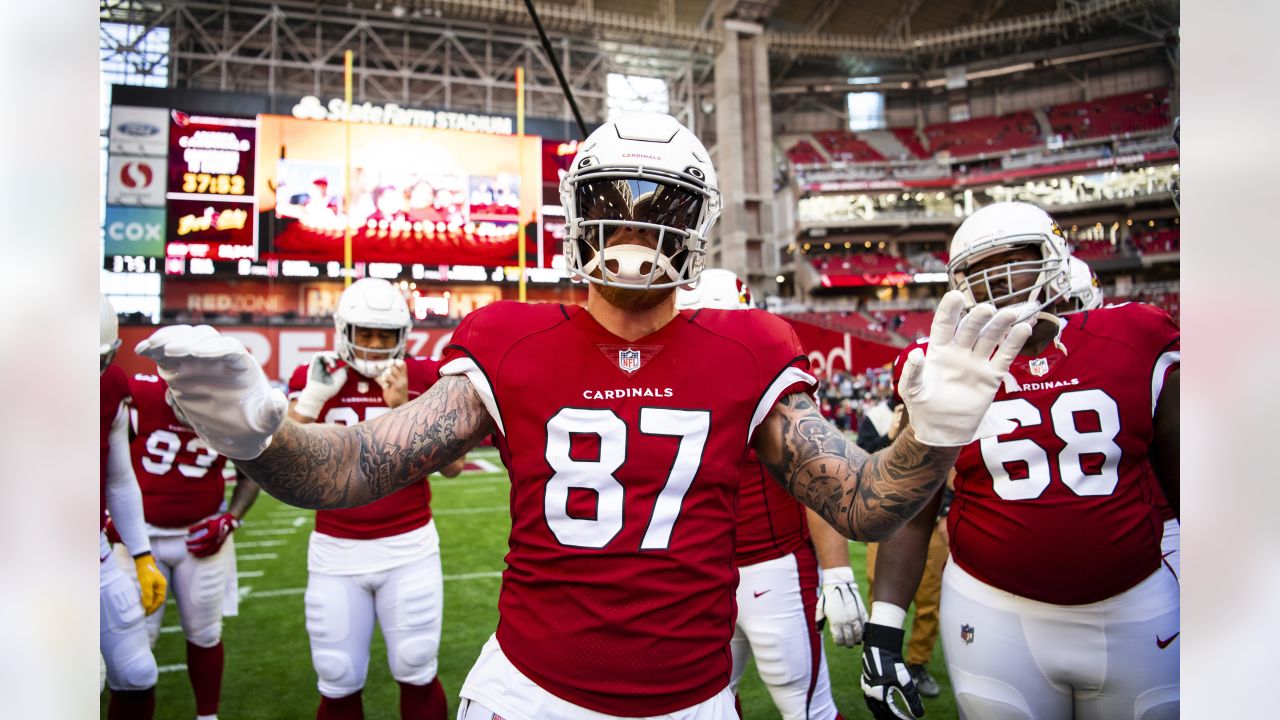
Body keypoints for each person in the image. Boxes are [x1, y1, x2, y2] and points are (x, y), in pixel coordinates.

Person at [137, 112, 1031, 720]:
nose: (635, 231)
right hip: (529, 691)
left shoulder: (748, 346)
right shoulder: (512, 339)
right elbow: (347, 469)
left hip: (689, 698)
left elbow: (866, 505)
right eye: (612, 204)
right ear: (577, 217)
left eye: (661, 208)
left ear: (697, 224)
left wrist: (933, 435)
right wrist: (258, 431)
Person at [860, 201, 1179, 720]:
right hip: (994, 607)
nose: (997, 280)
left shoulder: (1135, 336)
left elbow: (1184, 488)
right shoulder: (939, 365)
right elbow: (914, 504)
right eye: (978, 272)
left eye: (1013, 260)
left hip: (1134, 602)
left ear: (1053, 259)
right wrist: (885, 625)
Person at [677, 269, 865, 720]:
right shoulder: (666, 381)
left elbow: (817, 477)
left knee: (806, 709)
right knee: (704, 707)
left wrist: (838, 573)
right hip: (697, 571)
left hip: (772, 567)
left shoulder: (771, 383)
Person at [286, 277, 463, 720]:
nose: (375, 344)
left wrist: (403, 407)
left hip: (409, 546)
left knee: (417, 665)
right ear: (344, 331)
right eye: (365, 333)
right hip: (335, 548)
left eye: (385, 335)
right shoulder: (316, 376)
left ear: (403, 336)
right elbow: (284, 459)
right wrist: (312, 400)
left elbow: (453, 467)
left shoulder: (424, 377)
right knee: (337, 674)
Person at [119, 370, 262, 720]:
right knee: (134, 647)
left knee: (206, 633)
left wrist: (231, 518)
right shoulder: (139, 394)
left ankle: (207, 716)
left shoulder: (234, 409)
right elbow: (103, 461)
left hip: (200, 537)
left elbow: (251, 475)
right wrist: (109, 517)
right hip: (137, 537)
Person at [99, 294, 166, 720]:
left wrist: (141, 556)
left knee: (137, 671)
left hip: (95, 555)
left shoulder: (109, 385)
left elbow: (119, 478)